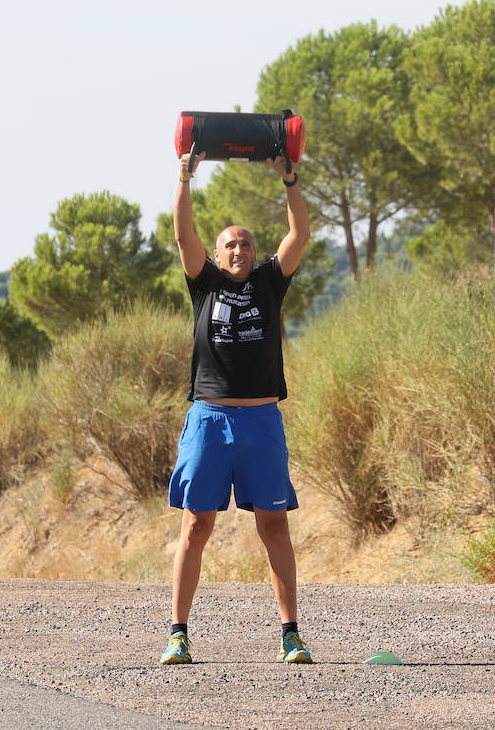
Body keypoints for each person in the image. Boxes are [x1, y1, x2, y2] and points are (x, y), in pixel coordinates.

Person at [160, 146, 313, 666]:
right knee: (196, 525)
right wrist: (185, 175)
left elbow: (299, 236)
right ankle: (178, 633)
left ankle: (290, 634)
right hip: (209, 419)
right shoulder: (204, 286)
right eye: (230, 244)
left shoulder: (270, 283)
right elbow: (184, 234)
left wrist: (289, 180)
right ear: (218, 254)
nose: (239, 250)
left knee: (274, 525)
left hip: (262, 422)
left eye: (246, 243)